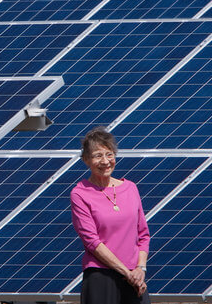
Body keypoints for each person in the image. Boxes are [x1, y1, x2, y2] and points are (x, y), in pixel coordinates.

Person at [70, 127, 150, 304]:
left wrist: (140, 268)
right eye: (98, 156)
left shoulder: (130, 188)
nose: (105, 161)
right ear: (86, 160)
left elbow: (143, 234)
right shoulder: (80, 193)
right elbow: (92, 241)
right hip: (101, 276)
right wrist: (126, 272)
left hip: (134, 276)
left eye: (109, 154)